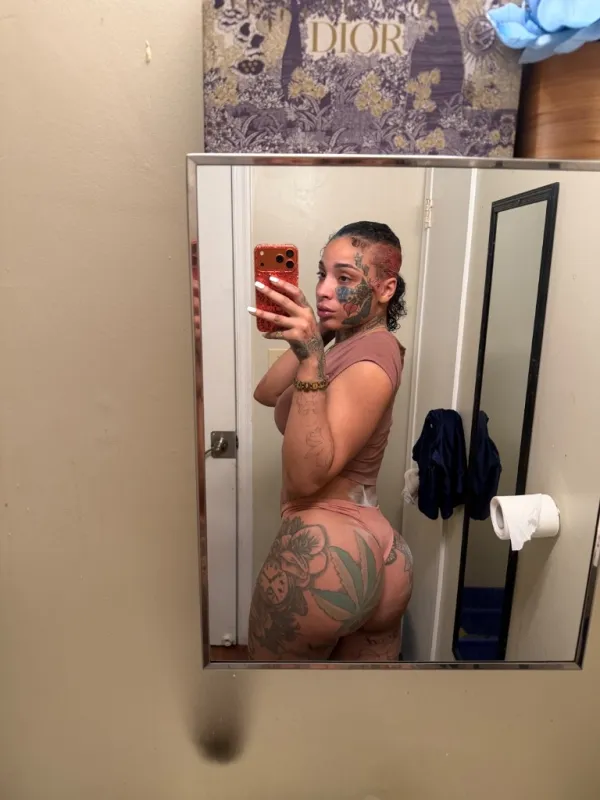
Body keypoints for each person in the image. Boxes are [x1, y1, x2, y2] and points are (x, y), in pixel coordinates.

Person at [247, 221, 413, 662]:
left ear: (385, 288)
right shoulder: (344, 345)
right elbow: (266, 393)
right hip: (373, 544)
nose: (322, 289)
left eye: (344, 277)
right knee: (357, 704)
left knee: (274, 698)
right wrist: (314, 340)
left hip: (328, 549)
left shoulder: (374, 356)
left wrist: (311, 360)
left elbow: (306, 478)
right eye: (322, 274)